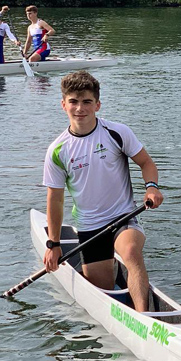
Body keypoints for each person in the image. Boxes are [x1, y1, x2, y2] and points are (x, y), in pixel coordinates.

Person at [42, 71, 164, 312]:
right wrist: (53, 243)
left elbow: (146, 163)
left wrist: (151, 187)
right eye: (74, 101)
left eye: (87, 101)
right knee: (102, 287)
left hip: (123, 216)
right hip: (89, 227)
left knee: (130, 251)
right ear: (63, 104)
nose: (80, 108)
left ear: (97, 104)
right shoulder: (57, 151)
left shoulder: (117, 133)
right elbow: (55, 199)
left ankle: (144, 318)